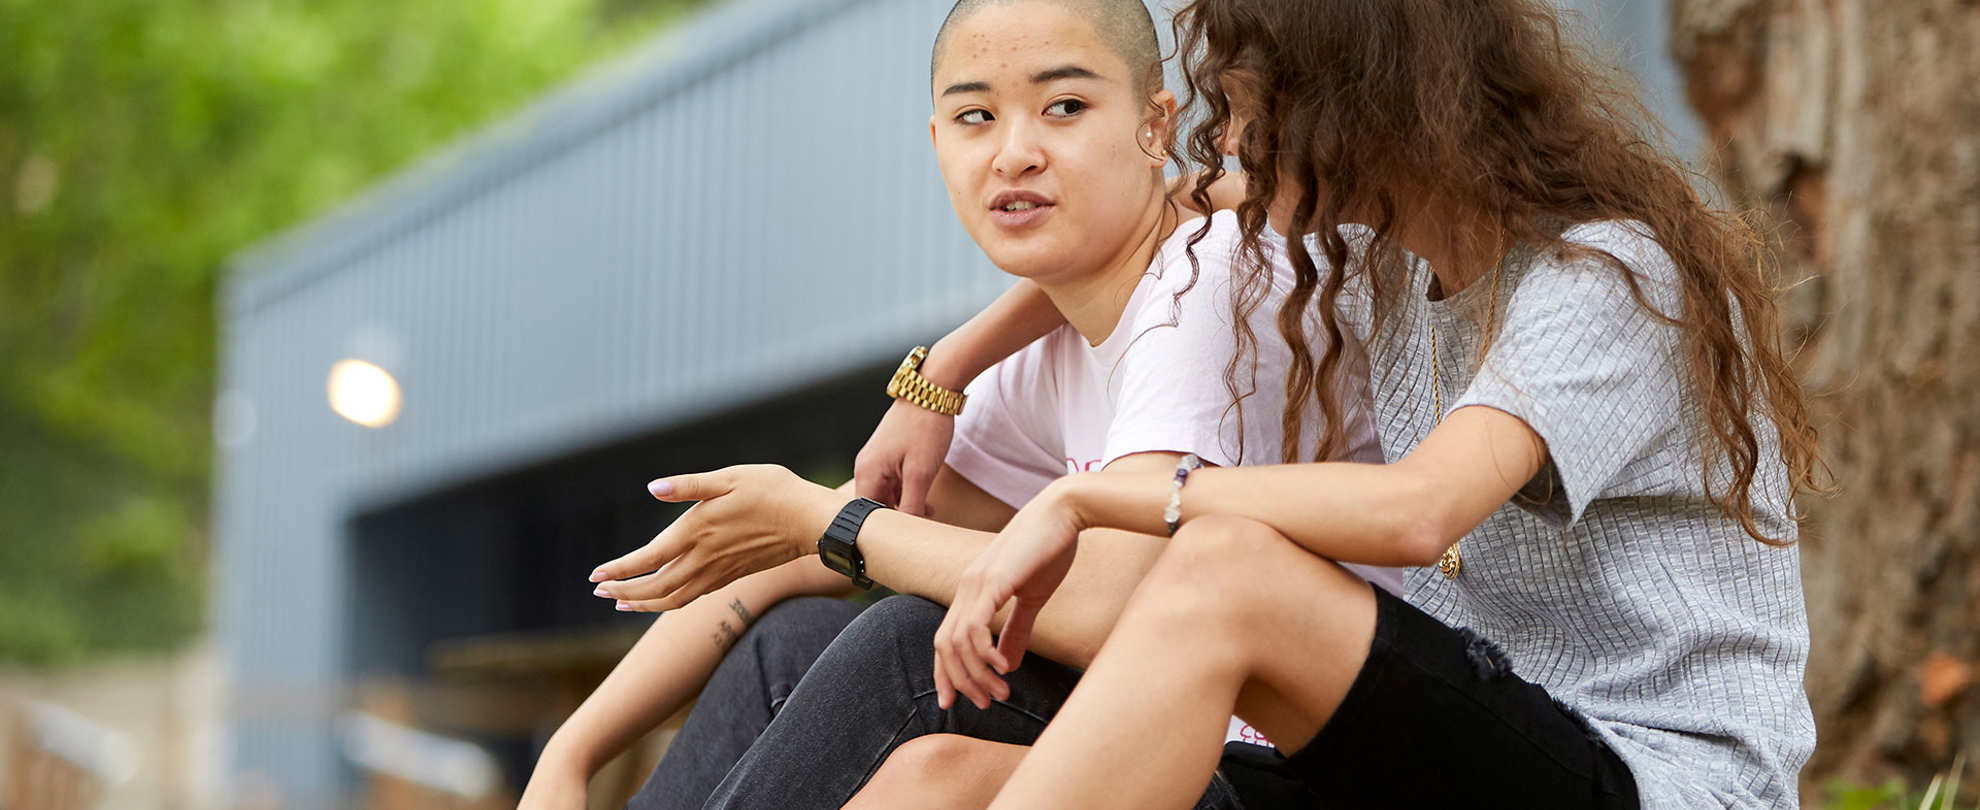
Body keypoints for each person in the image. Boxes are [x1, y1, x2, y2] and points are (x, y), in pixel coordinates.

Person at [905, 0, 1827, 808]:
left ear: (1355, 105)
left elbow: (1418, 512)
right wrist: (943, 370)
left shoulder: (1605, 277)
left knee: (1229, 568)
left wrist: (1088, 497)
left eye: (1244, 110)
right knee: (936, 781)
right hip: (1464, 751)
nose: (1224, 141)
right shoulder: (1384, 268)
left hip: (1651, 779)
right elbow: (1138, 212)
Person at [513, 0, 1389, 807]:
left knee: (902, 652)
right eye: (977, 117)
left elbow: (1108, 602)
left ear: (1156, 125)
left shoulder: (1215, 280)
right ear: (938, 142)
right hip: (1155, 736)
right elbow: (817, 542)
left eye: (1065, 108)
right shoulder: (1041, 349)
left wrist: (823, 517)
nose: (1014, 152)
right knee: (798, 637)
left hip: (1299, 768)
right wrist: (574, 750)